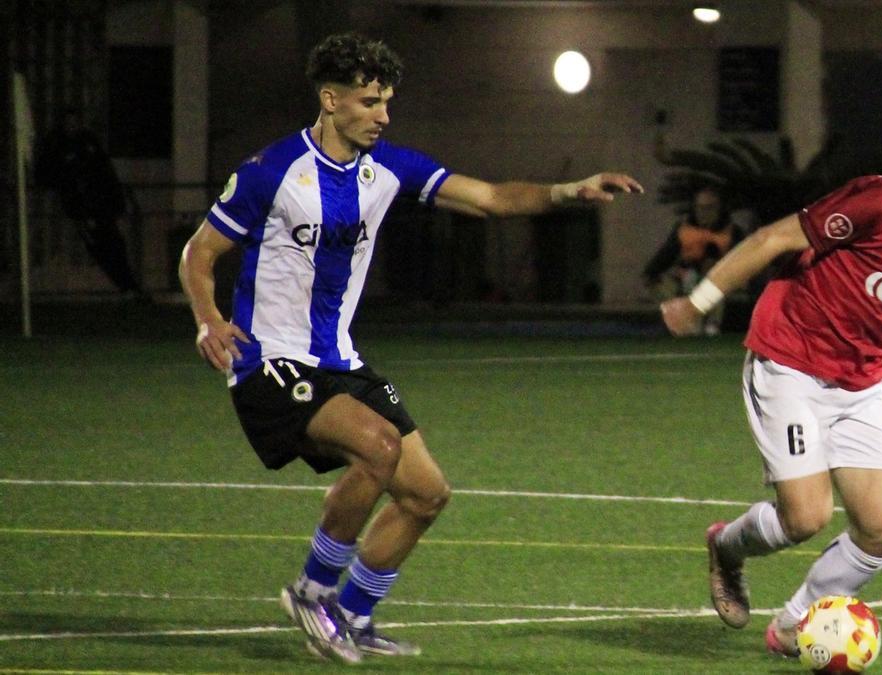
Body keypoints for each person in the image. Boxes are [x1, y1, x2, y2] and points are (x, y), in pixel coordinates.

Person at [178, 32, 642, 664]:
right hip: (270, 360)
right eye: (370, 102)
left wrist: (568, 192)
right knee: (377, 445)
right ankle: (312, 592)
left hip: (340, 359)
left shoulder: (388, 168)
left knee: (426, 494)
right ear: (330, 99)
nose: (383, 116)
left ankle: (355, 615)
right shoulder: (271, 171)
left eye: (387, 102)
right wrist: (208, 320)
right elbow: (200, 252)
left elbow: (490, 198)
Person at [660, 91, 882, 657]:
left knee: (880, 529)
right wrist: (699, 301)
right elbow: (772, 238)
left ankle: (792, 626)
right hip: (789, 357)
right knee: (806, 517)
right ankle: (728, 547)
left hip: (861, 379)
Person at [36, 108, 146, 298]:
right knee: (100, 247)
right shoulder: (57, 145)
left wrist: (116, 200)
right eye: (68, 123)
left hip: (101, 205)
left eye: (75, 122)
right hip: (81, 208)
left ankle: (129, 285)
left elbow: (105, 172)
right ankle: (126, 285)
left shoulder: (88, 142)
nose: (72, 127)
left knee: (115, 244)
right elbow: (47, 175)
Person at [643, 186, 743, 335]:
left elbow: (745, 263)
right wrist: (651, 275)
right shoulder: (684, 230)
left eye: (710, 208)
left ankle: (712, 326)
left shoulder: (732, 232)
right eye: (700, 208)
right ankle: (684, 325)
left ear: (719, 208)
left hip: (719, 281)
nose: (704, 213)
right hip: (686, 280)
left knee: (715, 286)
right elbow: (665, 256)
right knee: (667, 285)